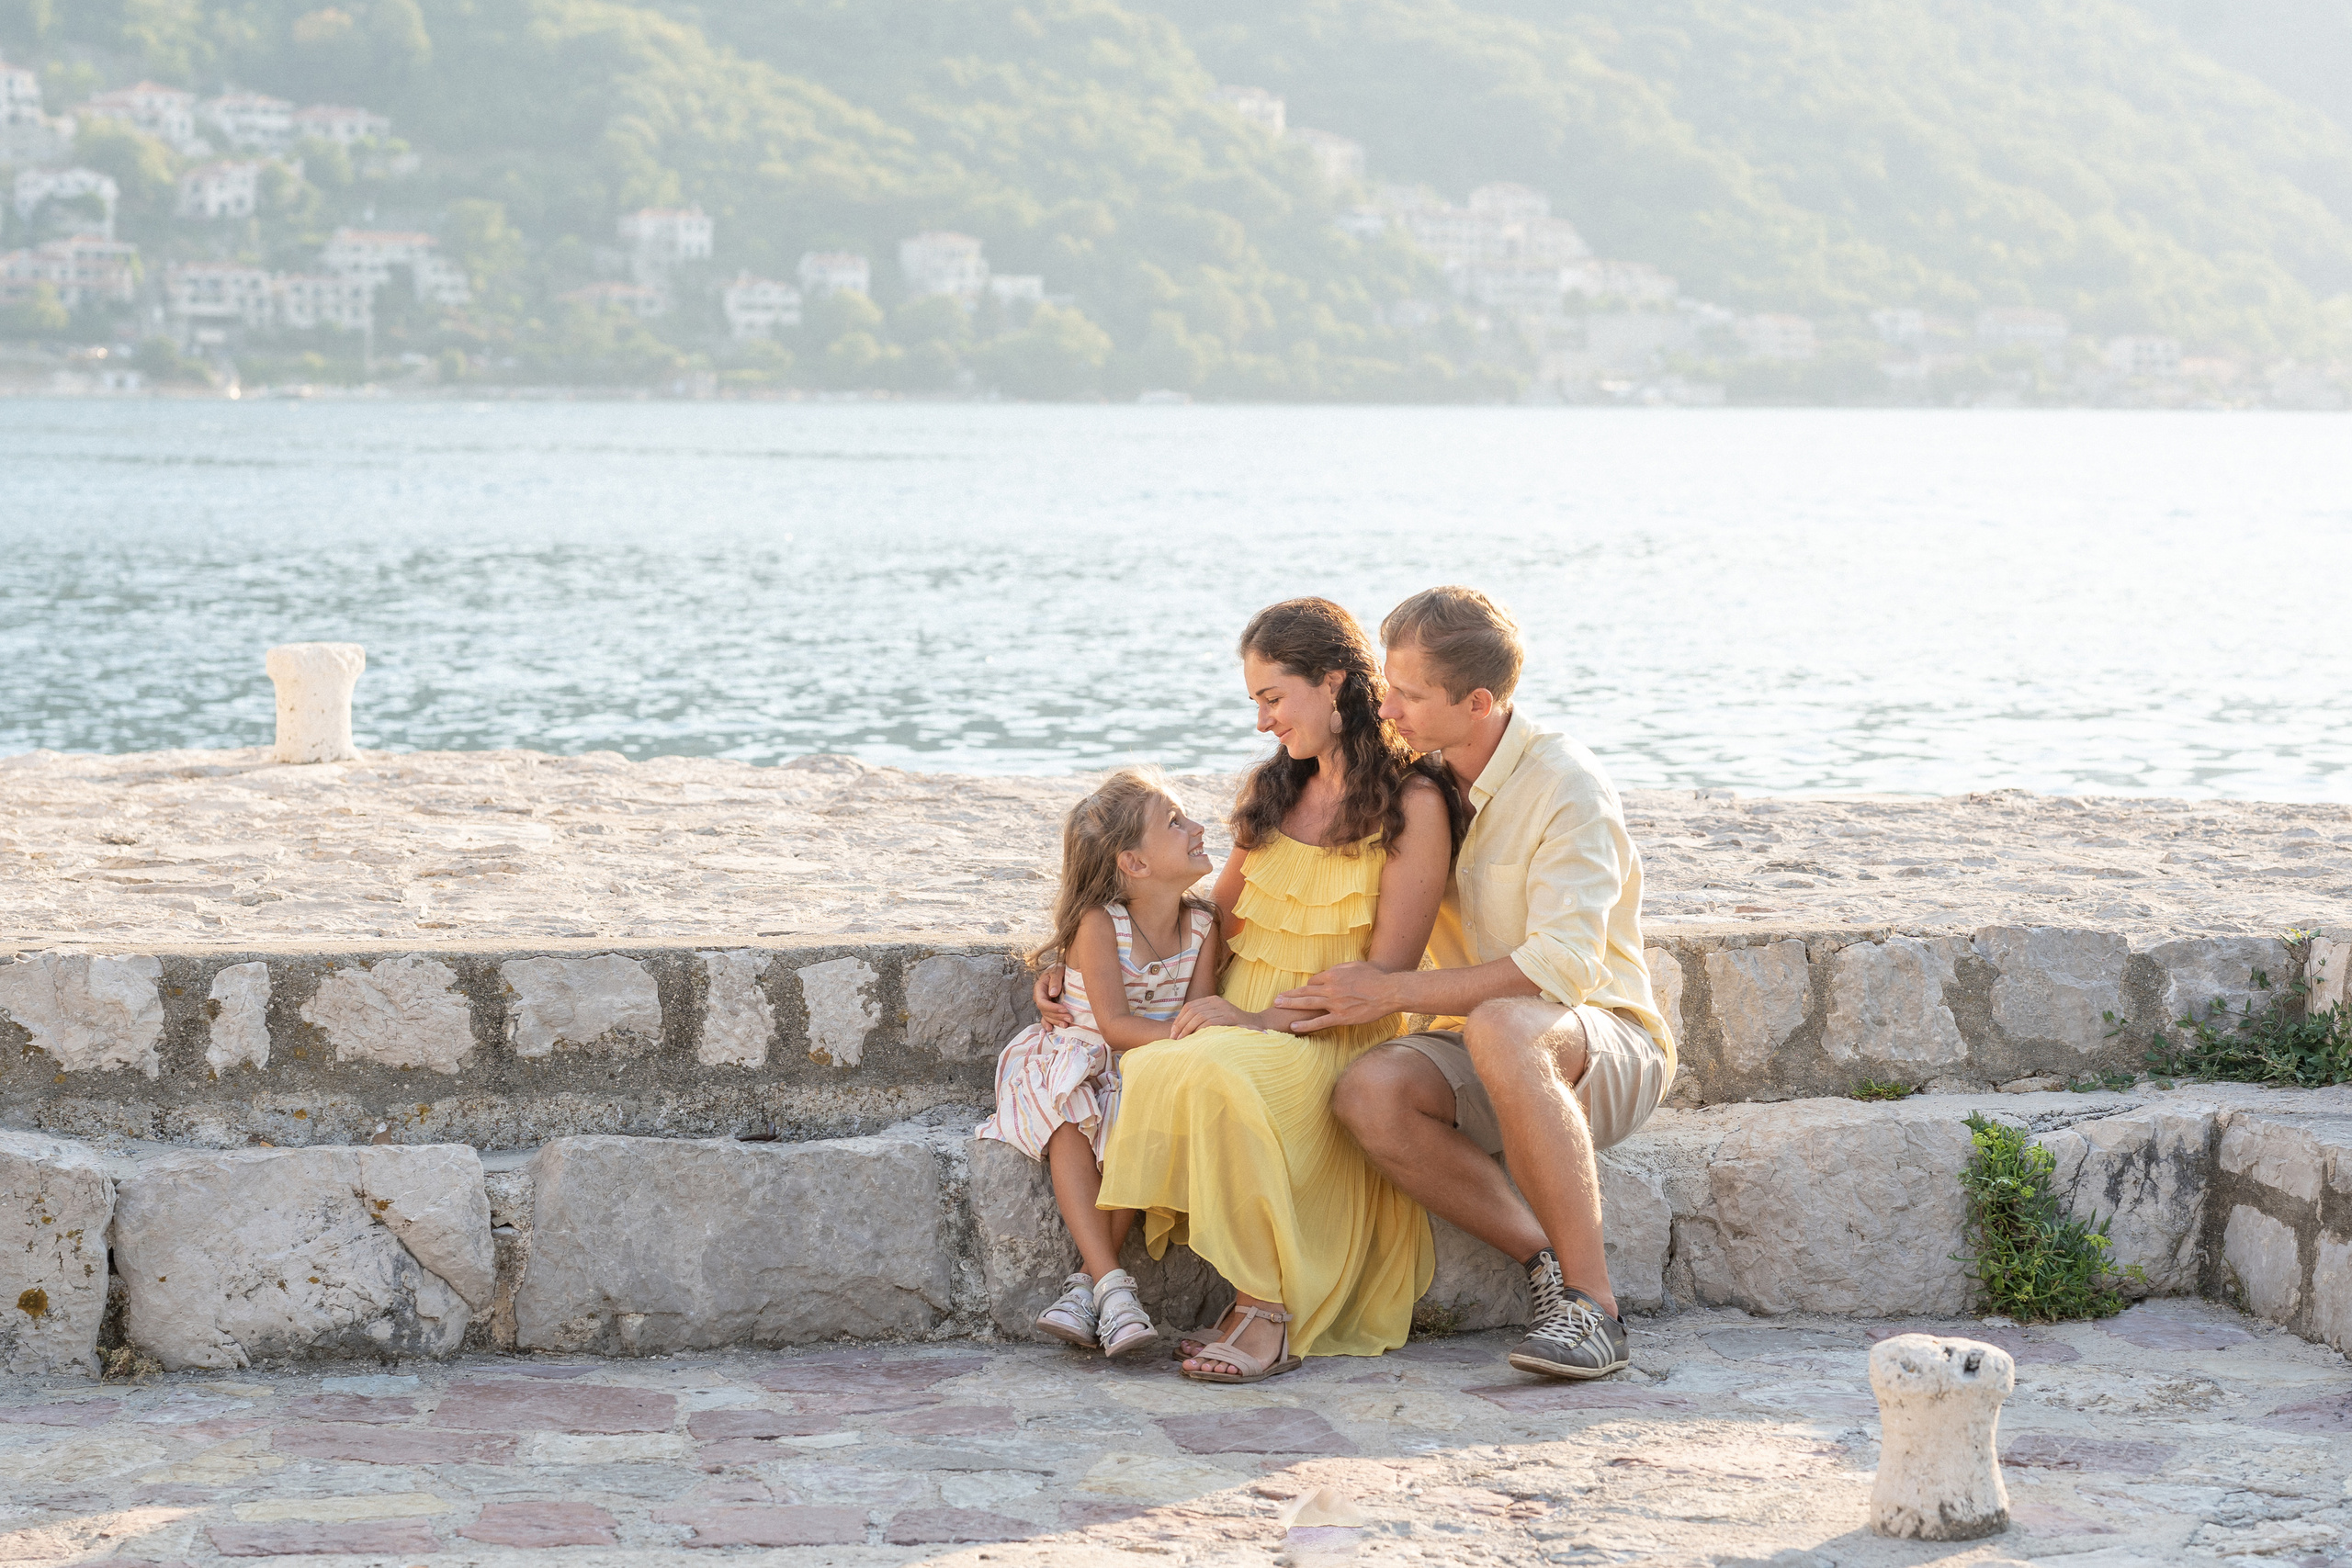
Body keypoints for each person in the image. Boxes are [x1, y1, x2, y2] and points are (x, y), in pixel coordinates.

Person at [1283, 586, 1674, 1382]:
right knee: (1369, 1091)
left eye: (1410, 694)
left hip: (1603, 1043)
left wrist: (1390, 992)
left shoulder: (1566, 783)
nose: (1387, 708)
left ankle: (1597, 1309)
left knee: (1503, 1022)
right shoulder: (1413, 777)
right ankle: (1543, 1265)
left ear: (1479, 702)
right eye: (1388, 685)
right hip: (1487, 1045)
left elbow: (1560, 970)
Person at [1093, 598, 1463, 1383]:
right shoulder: (1275, 788)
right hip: (1239, 1019)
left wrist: (1259, 1019)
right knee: (1161, 1062)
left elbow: (1381, 981)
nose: (1262, 721)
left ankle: (1266, 1309)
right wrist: (1073, 964)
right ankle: (1157, 1288)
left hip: (1330, 1035)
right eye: (1255, 702)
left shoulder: (1414, 803)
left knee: (1216, 1068)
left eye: (1272, 698)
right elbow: (1211, 921)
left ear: (1333, 682)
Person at [976, 768, 1224, 1359]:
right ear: (1134, 863)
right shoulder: (1099, 923)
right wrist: (1189, 1037)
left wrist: (1194, 1038)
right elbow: (1112, 1026)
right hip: (1077, 1054)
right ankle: (1113, 1282)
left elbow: (1200, 1010)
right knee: (1073, 1113)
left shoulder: (1204, 927)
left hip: (1143, 1065)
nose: (1197, 826)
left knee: (1137, 1116)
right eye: (1175, 822)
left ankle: (1090, 1290)